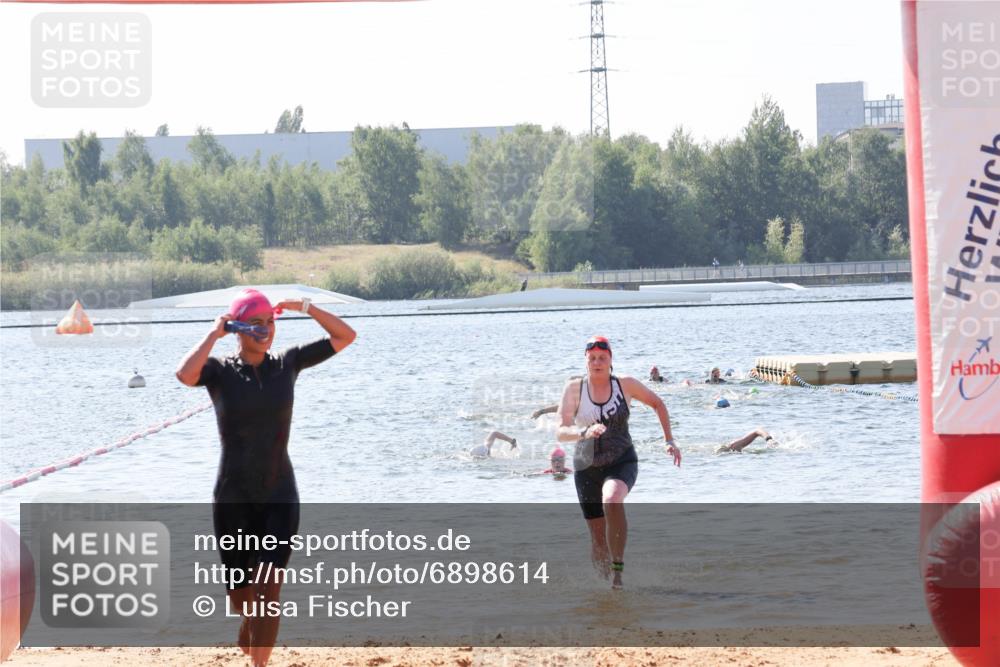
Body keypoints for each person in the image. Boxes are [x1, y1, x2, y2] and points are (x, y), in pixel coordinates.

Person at [175, 288, 356, 667]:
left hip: (279, 493)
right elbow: (184, 373)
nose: (265, 330)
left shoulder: (287, 363)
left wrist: (305, 307)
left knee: (269, 589)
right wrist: (213, 333)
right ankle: (246, 622)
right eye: (255, 323)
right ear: (238, 328)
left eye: (270, 322)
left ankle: (260, 663)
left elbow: (345, 336)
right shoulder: (219, 372)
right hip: (233, 498)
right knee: (243, 597)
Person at [557, 336, 681, 590]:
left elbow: (658, 404)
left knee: (612, 499)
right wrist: (583, 433)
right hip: (585, 466)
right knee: (597, 537)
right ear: (586, 361)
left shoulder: (625, 384)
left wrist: (669, 440)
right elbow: (560, 431)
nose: (597, 362)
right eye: (592, 359)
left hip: (621, 460)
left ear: (611, 360)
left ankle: (618, 573)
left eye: (602, 358)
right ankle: (602, 588)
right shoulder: (573, 389)